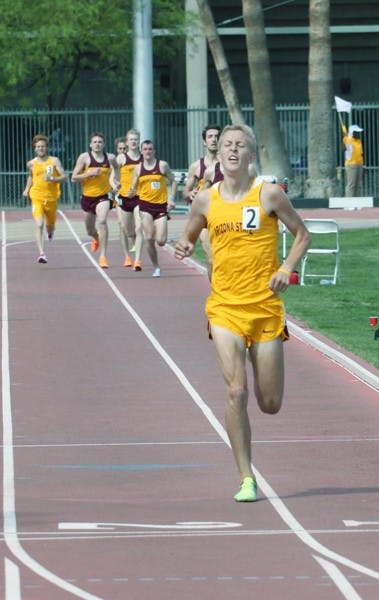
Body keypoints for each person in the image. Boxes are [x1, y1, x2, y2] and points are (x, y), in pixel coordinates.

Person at [174, 124, 311, 502]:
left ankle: (262, 368)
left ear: (252, 155)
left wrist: (286, 269)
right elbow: (187, 237)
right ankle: (246, 477)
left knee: (269, 403)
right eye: (227, 145)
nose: (233, 150)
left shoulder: (268, 195)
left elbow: (303, 234)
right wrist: (184, 247)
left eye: (241, 146)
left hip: (265, 309)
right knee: (236, 390)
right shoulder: (204, 200)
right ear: (218, 155)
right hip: (224, 309)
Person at [128, 140, 177, 277]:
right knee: (149, 238)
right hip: (145, 206)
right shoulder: (138, 168)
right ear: (141, 151)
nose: (148, 152)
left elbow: (173, 181)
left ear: (154, 151)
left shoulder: (162, 165)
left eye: (150, 149)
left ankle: (157, 232)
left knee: (161, 241)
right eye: (145, 149)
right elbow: (134, 186)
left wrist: (171, 199)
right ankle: (156, 267)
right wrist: (131, 192)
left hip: (161, 206)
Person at [71, 132, 119, 268]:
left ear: (104, 144)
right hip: (87, 198)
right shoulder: (84, 158)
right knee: (90, 230)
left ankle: (103, 256)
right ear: (90, 144)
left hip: (103, 197)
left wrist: (116, 181)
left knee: (102, 221)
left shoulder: (110, 158)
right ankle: (96, 238)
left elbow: (116, 168)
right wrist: (89, 173)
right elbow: (74, 177)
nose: (97, 144)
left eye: (100, 142)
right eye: (95, 142)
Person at [183, 124, 224, 280]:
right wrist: (191, 193)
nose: (214, 139)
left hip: (225, 215)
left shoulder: (229, 165)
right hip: (204, 219)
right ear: (204, 142)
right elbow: (186, 191)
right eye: (210, 137)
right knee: (211, 257)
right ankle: (216, 291)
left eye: (217, 136)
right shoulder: (196, 167)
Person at [22, 134, 67, 264]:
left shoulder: (54, 161)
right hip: (37, 197)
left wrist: (52, 178)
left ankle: (51, 233)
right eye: (38, 147)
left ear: (47, 148)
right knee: (39, 224)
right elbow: (31, 176)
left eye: (43, 146)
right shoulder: (31, 163)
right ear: (35, 149)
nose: (40, 148)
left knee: (50, 226)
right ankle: (42, 254)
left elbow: (64, 177)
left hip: (52, 198)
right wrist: (27, 189)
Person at [113, 129, 144, 271]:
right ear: (127, 141)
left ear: (139, 141)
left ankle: (137, 260)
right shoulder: (121, 159)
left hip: (139, 197)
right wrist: (115, 185)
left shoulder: (144, 158)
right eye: (131, 139)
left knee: (139, 228)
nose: (133, 142)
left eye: (136, 139)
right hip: (124, 197)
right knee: (126, 229)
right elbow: (112, 177)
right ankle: (127, 256)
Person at [341, 123, 364, 196]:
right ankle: (349, 202)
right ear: (352, 133)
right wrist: (344, 128)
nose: (358, 133)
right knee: (351, 185)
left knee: (358, 185)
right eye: (357, 132)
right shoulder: (348, 140)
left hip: (359, 164)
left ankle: (357, 202)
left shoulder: (358, 141)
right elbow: (345, 139)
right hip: (351, 164)